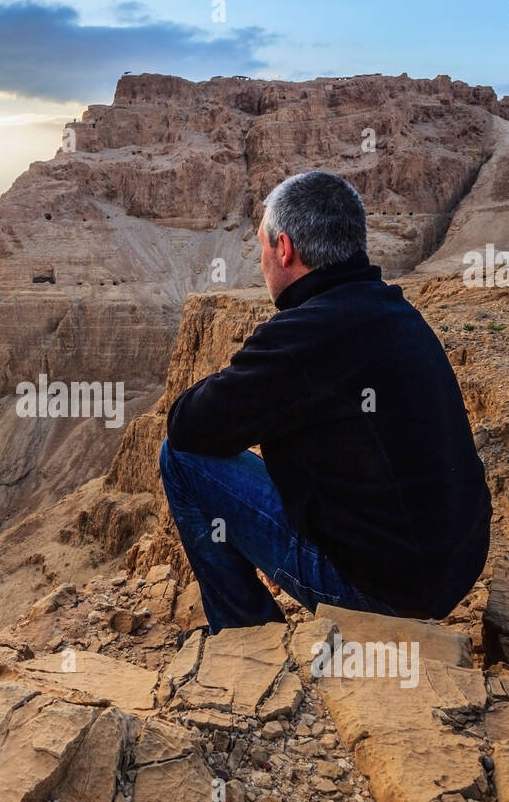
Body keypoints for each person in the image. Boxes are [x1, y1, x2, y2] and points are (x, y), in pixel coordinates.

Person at [159, 169, 491, 635]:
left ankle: (244, 635)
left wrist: (248, 363)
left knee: (178, 457)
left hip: (379, 592)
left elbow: (189, 425)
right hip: (449, 569)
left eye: (261, 247)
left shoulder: (306, 336)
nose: (260, 261)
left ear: (285, 248)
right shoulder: (393, 308)